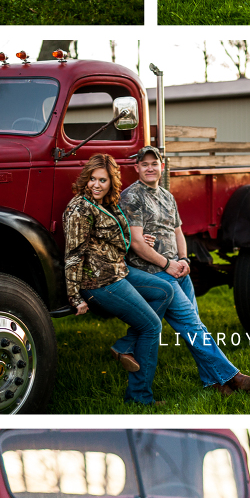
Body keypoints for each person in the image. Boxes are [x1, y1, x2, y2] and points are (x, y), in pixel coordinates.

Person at [113, 146, 250, 397]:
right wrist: (167, 265)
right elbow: (137, 244)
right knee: (193, 325)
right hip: (153, 272)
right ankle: (231, 376)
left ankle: (212, 382)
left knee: (195, 326)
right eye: (145, 164)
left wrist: (183, 259)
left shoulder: (166, 196)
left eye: (155, 163)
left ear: (162, 167)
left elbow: (178, 232)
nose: (150, 168)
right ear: (137, 168)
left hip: (177, 269)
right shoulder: (132, 197)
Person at [63, 153, 173, 407]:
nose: (96, 185)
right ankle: (140, 397)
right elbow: (72, 255)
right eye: (92, 179)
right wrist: (75, 297)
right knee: (151, 327)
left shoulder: (108, 203)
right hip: (100, 282)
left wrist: (139, 241)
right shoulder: (80, 209)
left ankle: (125, 345)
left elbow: (116, 238)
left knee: (164, 291)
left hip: (119, 270)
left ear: (111, 182)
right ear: (86, 179)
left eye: (102, 180)